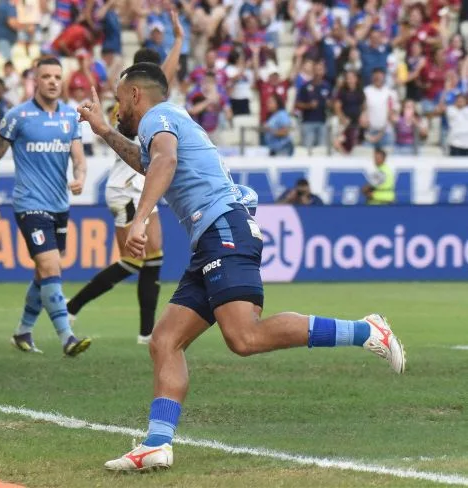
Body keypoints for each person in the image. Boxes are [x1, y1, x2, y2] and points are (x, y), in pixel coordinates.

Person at [76, 62, 405, 472]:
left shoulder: (158, 117)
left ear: (135, 95)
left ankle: (367, 331)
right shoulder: (165, 123)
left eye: (119, 99)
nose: (116, 108)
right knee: (165, 341)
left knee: (245, 337)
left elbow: (164, 162)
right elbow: (148, 162)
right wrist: (104, 132)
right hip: (211, 236)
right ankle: (157, 444)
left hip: (223, 229)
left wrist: (141, 218)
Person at [66, 22, 185, 344]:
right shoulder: (132, 106)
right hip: (126, 187)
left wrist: (178, 41)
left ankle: (146, 332)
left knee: (151, 257)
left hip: (139, 186)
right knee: (135, 260)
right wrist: (178, 42)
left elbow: (167, 78)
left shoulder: (143, 104)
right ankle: (73, 306)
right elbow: (167, 77)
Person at [0, 57, 91, 356]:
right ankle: (67, 338)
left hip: (60, 205)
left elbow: (79, 160)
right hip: (29, 204)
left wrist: (80, 178)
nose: (53, 81)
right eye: (46, 76)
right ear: (35, 80)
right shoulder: (17, 116)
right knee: (50, 266)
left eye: (57, 76)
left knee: (45, 272)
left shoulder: (70, 116)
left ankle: (22, 331)